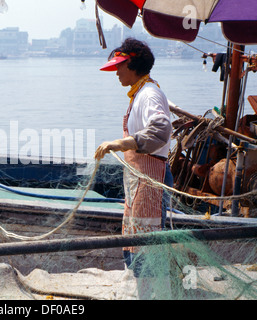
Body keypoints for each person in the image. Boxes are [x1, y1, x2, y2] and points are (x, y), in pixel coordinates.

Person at [94, 38, 172, 299]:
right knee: (136, 247)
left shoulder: (149, 93)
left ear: (133, 63)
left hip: (151, 179)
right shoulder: (139, 93)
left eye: (120, 66)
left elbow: (161, 130)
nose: (116, 72)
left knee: (148, 247)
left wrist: (121, 142)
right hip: (138, 180)